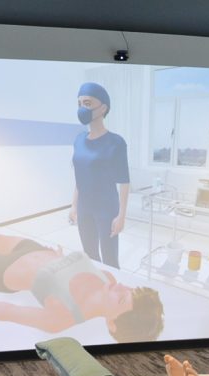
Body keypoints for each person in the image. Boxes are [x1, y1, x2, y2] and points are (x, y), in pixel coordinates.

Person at [0, 208, 163, 342]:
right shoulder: (108, 279)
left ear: (111, 324)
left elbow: (8, 312)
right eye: (130, 290)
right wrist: (59, 257)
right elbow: (76, 270)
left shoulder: (62, 318)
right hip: (34, 250)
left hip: (1, 272)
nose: (121, 287)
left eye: (121, 299)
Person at [70, 82, 130, 269]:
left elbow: (124, 182)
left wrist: (121, 215)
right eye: (79, 103)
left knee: (110, 259)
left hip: (106, 208)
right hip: (84, 207)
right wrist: (74, 205)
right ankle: (96, 284)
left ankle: (114, 286)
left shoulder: (116, 142)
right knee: (89, 255)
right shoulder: (79, 140)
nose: (82, 108)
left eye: (87, 103)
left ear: (103, 108)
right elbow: (79, 177)